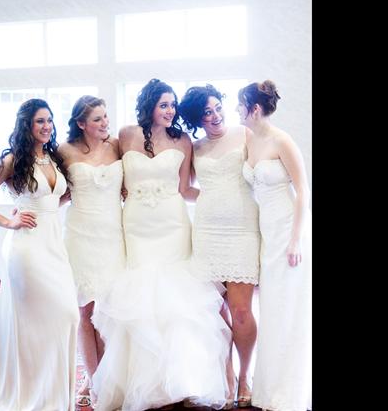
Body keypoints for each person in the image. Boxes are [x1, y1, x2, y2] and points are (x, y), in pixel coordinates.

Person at [91, 78, 231, 411]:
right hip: (137, 225)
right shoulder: (125, 135)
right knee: (141, 298)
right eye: (163, 104)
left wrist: (224, 197)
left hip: (172, 224)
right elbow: (107, 172)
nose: (170, 111)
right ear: (150, 105)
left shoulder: (182, 140)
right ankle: (145, 384)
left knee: (178, 301)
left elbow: (186, 189)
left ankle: (182, 380)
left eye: (172, 105)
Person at [0, 98, 80, 411]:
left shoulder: (54, 158)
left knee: (67, 315)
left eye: (49, 120)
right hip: (26, 249)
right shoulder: (13, 160)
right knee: (40, 321)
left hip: (54, 245)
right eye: (40, 121)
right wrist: (10, 221)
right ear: (27, 126)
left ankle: (52, 393)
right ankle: (33, 394)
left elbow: (57, 199)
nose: (47, 127)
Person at [179, 84, 261, 408]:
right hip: (208, 233)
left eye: (216, 108)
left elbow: (262, 173)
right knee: (213, 312)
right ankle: (224, 375)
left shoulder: (245, 134)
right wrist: (211, 198)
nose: (214, 116)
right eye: (206, 113)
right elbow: (184, 189)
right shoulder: (195, 148)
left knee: (241, 312)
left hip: (242, 230)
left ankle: (245, 376)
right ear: (197, 119)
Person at [238, 80, 312, 411]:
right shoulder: (250, 140)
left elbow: (304, 193)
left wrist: (296, 240)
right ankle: (269, 389)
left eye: (240, 105)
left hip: (287, 232)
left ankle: (290, 393)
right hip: (265, 233)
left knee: (289, 310)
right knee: (270, 309)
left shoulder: (283, 141)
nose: (236, 111)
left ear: (254, 109)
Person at [58, 95, 126, 408]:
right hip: (81, 236)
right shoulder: (64, 151)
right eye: (97, 119)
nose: (105, 123)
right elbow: (57, 191)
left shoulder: (117, 146)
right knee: (85, 310)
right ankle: (93, 378)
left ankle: (109, 377)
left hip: (113, 236)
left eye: (105, 116)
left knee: (110, 310)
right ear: (81, 123)